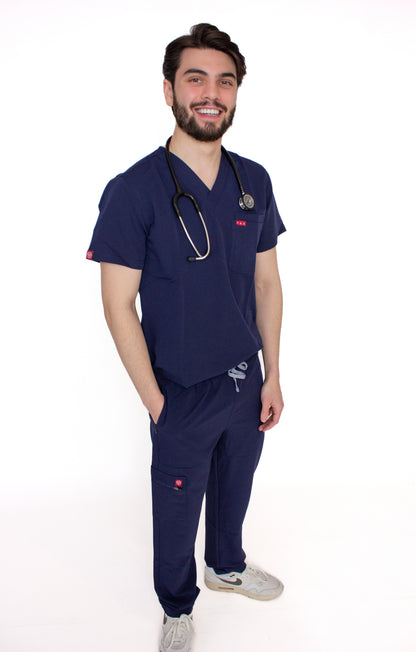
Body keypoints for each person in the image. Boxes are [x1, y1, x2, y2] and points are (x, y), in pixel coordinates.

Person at [87, 23, 286, 652]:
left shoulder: (252, 180)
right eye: (195, 78)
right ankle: (177, 606)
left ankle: (226, 565)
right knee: (175, 510)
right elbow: (117, 303)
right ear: (169, 90)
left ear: (236, 94)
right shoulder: (134, 191)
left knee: (236, 484)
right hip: (179, 390)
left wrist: (273, 372)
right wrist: (155, 401)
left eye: (224, 81)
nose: (211, 92)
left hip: (244, 380)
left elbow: (267, 284)